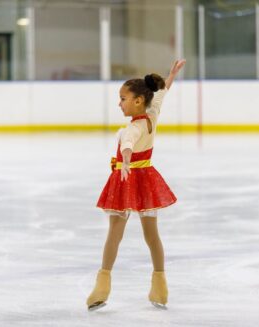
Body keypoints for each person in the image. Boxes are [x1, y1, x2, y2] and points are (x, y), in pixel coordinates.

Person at [87, 59, 186, 311]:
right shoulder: (152, 114)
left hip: (127, 180)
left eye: (123, 99)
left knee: (114, 234)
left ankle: (102, 286)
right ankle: (160, 286)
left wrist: (127, 159)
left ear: (138, 101)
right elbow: (161, 93)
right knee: (152, 236)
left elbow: (129, 143)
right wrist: (171, 75)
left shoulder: (134, 126)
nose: (119, 103)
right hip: (147, 180)